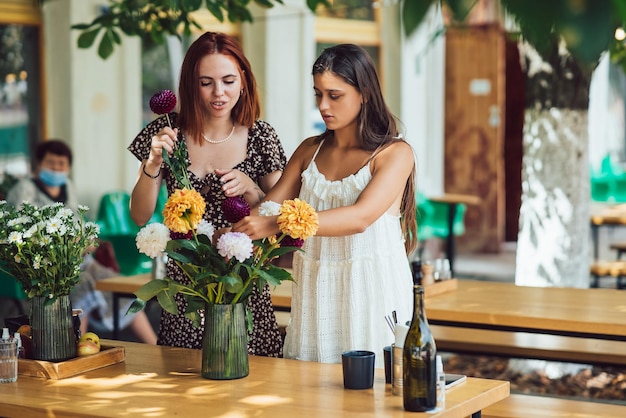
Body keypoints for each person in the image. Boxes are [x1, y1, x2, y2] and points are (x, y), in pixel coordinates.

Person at [232, 44, 418, 367]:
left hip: (372, 291)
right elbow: (268, 210)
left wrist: (276, 224)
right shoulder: (309, 151)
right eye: (318, 94)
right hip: (316, 291)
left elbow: (360, 217)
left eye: (335, 95)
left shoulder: (395, 154)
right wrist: (225, 236)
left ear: (364, 94)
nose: (323, 106)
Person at [128, 32, 287, 356]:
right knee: (184, 393)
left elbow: (283, 212)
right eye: (206, 82)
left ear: (243, 80)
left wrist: (252, 188)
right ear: (191, 84)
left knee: (252, 390)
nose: (219, 93)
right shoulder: (167, 133)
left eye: (228, 80)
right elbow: (140, 215)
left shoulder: (261, 136)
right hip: (185, 287)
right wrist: (154, 161)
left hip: (243, 285)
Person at [6, 139, 158, 344]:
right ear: (38, 164)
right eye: (51, 164)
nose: (57, 169)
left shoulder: (67, 186)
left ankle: (155, 344)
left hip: (79, 260)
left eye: (62, 164)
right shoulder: (24, 190)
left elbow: (78, 223)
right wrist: (66, 247)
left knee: (113, 284)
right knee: (83, 283)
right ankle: (76, 344)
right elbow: (21, 231)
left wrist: (85, 241)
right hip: (46, 266)